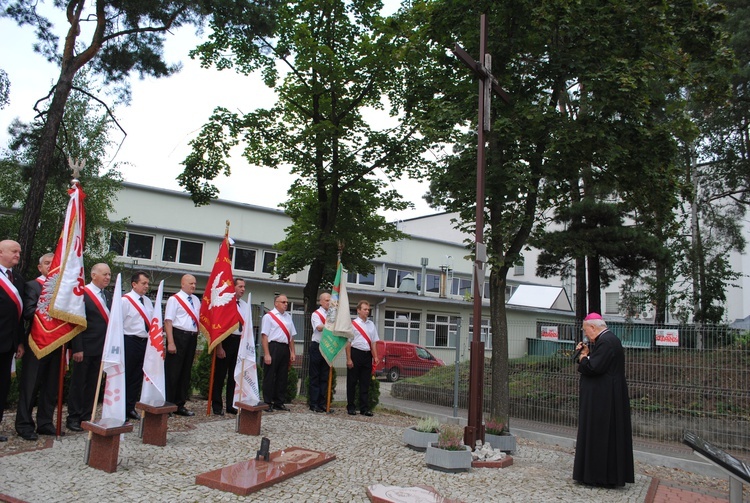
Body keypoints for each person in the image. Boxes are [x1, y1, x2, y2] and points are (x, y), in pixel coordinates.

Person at [573, 312, 635, 487]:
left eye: (586, 331)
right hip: (606, 395)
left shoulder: (606, 342)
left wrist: (583, 358)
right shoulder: (607, 341)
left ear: (593, 327)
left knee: (600, 435)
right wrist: (588, 353)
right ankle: (603, 475)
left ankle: (598, 476)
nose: (586, 334)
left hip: (603, 399)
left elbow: (594, 367)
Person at [15, 253, 60, 440]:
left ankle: (45, 422)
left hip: (57, 342)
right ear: (40, 268)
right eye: (47, 263)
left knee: (51, 385)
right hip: (36, 342)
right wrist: (51, 312)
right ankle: (24, 424)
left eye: (53, 263)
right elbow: (28, 312)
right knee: (30, 385)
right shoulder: (32, 286)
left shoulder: (62, 289)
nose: (50, 266)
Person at [66, 263, 111, 432]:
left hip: (101, 348)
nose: (108, 277)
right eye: (105, 274)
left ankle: (87, 416)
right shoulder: (83, 293)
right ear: (94, 275)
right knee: (79, 384)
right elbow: (76, 323)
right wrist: (77, 347)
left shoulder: (107, 294)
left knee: (93, 384)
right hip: (84, 348)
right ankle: (73, 417)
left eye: (109, 274)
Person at [164, 274, 200, 416]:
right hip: (178, 336)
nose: (193, 286)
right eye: (191, 283)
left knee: (185, 372)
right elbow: (168, 321)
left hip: (191, 337)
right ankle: (168, 404)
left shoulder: (196, 300)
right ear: (183, 283)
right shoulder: (174, 300)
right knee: (173, 372)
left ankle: (180, 404)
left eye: (195, 284)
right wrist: (171, 342)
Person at [0, 240, 25, 442]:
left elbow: (19, 315)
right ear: (1, 252)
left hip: (8, 344)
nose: (18, 254)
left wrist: (19, 342)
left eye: (19, 251)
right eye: (14, 251)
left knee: (2, 387)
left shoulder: (17, 278)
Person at [211, 277, 246, 415]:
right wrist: (219, 346)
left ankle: (231, 405)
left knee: (234, 375)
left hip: (239, 341)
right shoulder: (225, 303)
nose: (243, 289)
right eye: (240, 286)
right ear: (233, 287)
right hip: (225, 340)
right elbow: (218, 326)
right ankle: (217, 405)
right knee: (220, 375)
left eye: (244, 287)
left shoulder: (244, 305)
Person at [122, 271, 153, 420]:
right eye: (143, 283)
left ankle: (130, 407)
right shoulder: (125, 301)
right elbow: (118, 324)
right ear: (134, 284)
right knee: (126, 375)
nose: (146, 286)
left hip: (144, 342)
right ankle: (121, 409)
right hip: (129, 341)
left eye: (147, 283)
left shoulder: (147, 301)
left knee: (136, 377)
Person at [260, 294, 296, 412]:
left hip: (284, 347)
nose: (286, 304)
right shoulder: (269, 317)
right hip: (273, 346)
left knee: (282, 376)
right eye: (283, 302)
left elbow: (291, 337)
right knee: (270, 376)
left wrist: (292, 352)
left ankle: (279, 402)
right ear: (276, 303)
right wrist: (267, 353)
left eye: (287, 302)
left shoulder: (288, 317)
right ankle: (267, 401)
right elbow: (264, 336)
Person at [346, 300, 379, 417]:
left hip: (367, 355)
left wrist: (375, 356)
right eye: (364, 309)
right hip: (356, 353)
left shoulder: (371, 325)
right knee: (352, 382)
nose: (367, 311)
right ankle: (351, 407)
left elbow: (374, 342)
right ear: (358, 310)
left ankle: (364, 408)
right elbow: (348, 343)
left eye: (368, 309)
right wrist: (349, 359)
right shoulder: (353, 324)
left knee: (365, 383)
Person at [308, 292, 330, 413]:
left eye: (330, 300)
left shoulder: (332, 315)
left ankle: (322, 403)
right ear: (321, 301)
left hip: (327, 346)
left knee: (324, 377)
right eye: (326, 300)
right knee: (315, 376)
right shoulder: (316, 314)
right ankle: (314, 403)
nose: (328, 302)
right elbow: (319, 327)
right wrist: (331, 324)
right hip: (317, 346)